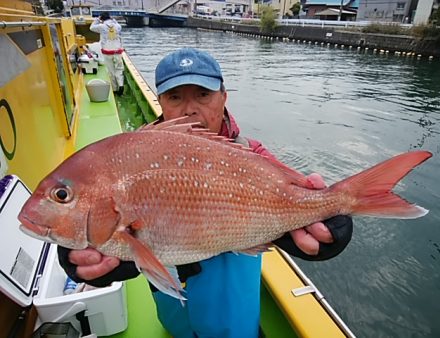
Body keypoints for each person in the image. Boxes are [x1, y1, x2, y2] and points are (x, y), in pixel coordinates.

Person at [58, 48, 353, 338]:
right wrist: (85, 248)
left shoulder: (254, 156)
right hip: (175, 319)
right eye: (175, 97)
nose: (190, 109)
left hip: (234, 325)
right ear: (160, 101)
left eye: (203, 94)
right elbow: (123, 237)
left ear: (223, 97)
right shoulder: (133, 158)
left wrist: (332, 222)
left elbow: (291, 200)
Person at [90, 12, 124, 95]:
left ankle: (115, 89)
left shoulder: (101, 27)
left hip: (107, 52)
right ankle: (121, 84)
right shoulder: (118, 26)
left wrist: (97, 19)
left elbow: (91, 28)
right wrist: (114, 21)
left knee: (111, 70)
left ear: (102, 19)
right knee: (119, 69)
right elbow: (117, 26)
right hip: (117, 52)